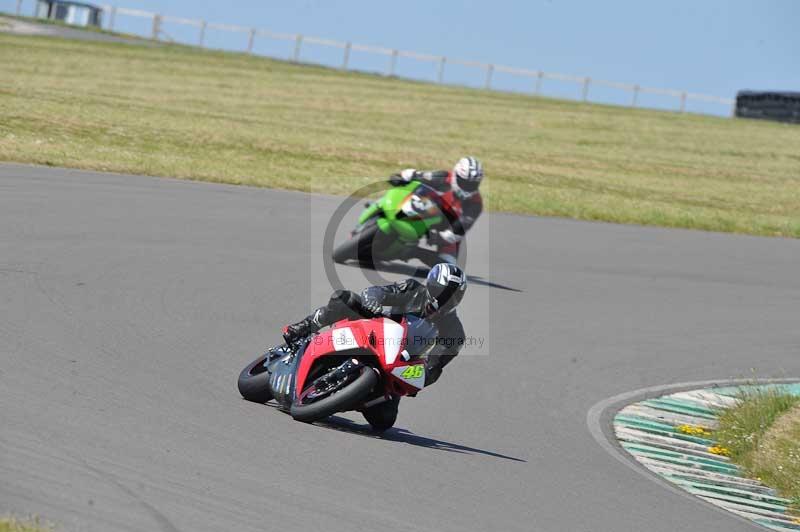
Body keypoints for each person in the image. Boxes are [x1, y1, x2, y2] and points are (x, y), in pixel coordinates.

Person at [282, 263, 468, 389]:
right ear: (431, 285)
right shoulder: (412, 289)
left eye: (453, 296)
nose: (445, 300)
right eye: (442, 292)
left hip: (398, 363)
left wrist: (417, 377)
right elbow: (378, 292)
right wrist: (372, 301)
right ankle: (306, 326)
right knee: (345, 299)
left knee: (384, 420)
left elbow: (433, 367)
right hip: (376, 331)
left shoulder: (454, 332)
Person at [389, 157, 484, 265]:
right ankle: (385, 211)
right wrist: (401, 176)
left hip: (445, 228)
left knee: (448, 265)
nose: (468, 187)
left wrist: (440, 237)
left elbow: (459, 229)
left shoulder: (475, 204)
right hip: (422, 208)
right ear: (456, 175)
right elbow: (418, 175)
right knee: (404, 189)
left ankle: (414, 252)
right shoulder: (443, 177)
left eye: (472, 184)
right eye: (464, 182)